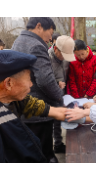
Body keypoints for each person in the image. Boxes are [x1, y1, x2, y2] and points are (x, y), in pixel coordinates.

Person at [11, 17, 64, 163]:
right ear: (39, 26)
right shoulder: (36, 45)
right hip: (38, 111)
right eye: (50, 33)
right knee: (45, 152)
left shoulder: (18, 41)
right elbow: (45, 80)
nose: (50, 37)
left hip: (24, 108)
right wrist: (60, 96)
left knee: (34, 149)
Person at [0, 50, 67, 163]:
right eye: (29, 79)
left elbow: (49, 110)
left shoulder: (17, 101)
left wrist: (86, 113)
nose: (31, 84)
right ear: (9, 83)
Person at [48, 35, 75, 154]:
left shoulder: (65, 59)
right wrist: (55, 84)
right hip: (49, 95)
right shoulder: (46, 58)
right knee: (50, 122)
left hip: (62, 94)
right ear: (56, 49)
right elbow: (42, 80)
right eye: (63, 55)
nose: (65, 58)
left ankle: (58, 144)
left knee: (59, 121)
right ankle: (51, 147)